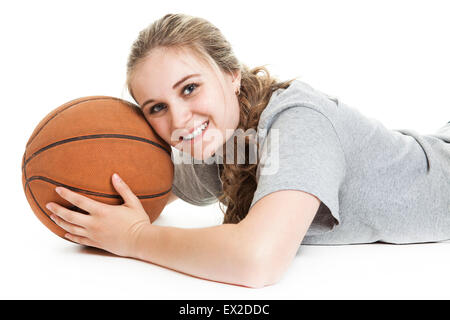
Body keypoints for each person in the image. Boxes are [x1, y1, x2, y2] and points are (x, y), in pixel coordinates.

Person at [45, 13, 450, 289]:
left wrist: (134, 238)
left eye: (189, 88)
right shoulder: (220, 140)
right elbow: (157, 188)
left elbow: (258, 260)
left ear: (231, 75)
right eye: (157, 108)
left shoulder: (299, 121)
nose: (180, 119)